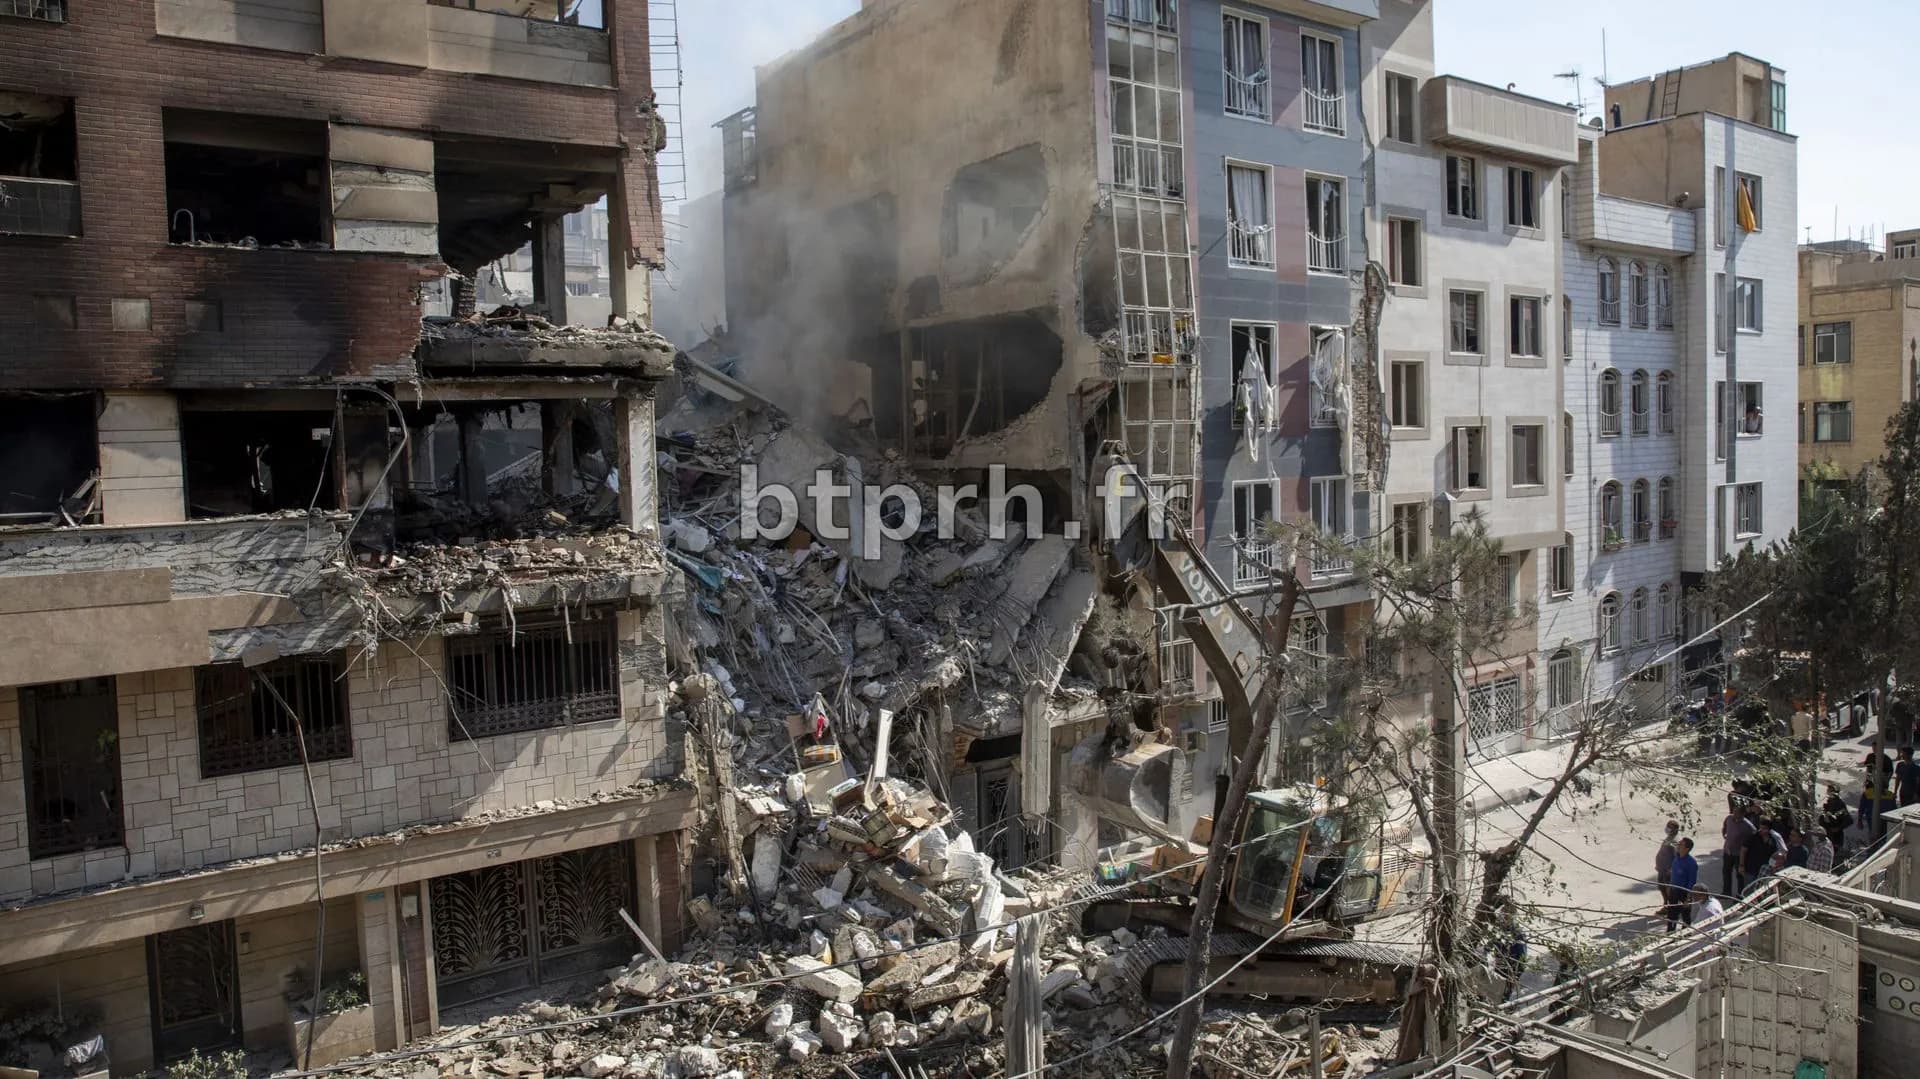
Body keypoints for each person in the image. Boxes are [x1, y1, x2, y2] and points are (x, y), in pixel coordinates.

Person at [1722, 802, 1757, 898]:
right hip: (1728, 851)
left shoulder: (1747, 825)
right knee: (1726, 872)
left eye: (1737, 812)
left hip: (1739, 854)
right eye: (1734, 811)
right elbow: (1724, 827)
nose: (1735, 814)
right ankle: (1726, 892)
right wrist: (1724, 835)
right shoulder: (1729, 819)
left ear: (1742, 814)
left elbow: (1754, 835)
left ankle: (1740, 894)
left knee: (1740, 875)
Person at [1667, 838, 1699, 930]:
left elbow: (1692, 882)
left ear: (1687, 849)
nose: (1678, 845)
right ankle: (1670, 934)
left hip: (1684, 892)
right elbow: (1673, 874)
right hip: (1674, 891)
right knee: (1671, 914)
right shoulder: (1676, 857)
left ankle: (1686, 934)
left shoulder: (1691, 863)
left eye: (1681, 844)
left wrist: (1688, 899)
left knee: (1685, 915)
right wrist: (1670, 886)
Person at [1654, 819, 1679, 921]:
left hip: (1668, 871)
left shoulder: (1675, 841)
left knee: (1669, 890)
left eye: (1670, 827)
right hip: (1662, 869)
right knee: (1662, 888)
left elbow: (1676, 857)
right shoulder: (1669, 838)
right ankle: (1666, 906)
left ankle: (1672, 909)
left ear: (1675, 829)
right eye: (1667, 826)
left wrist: (1671, 869)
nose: (1667, 828)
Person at [1821, 785, 1854, 857]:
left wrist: (1838, 828)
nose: (1828, 792)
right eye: (1828, 790)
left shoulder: (1839, 804)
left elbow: (1848, 820)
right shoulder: (1828, 803)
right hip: (1827, 835)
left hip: (1835, 837)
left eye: (1830, 790)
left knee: (1834, 856)